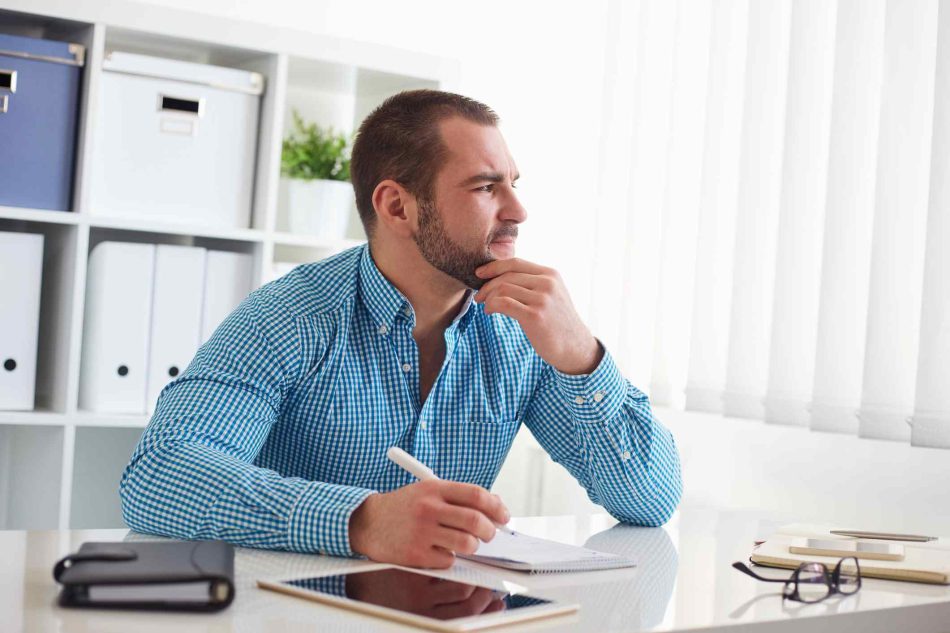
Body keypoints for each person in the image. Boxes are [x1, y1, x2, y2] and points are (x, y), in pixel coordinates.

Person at [119, 89, 682, 569]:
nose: (518, 210)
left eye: (513, 183)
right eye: (486, 187)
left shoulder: (522, 332)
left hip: (442, 611)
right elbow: (159, 476)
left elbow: (650, 501)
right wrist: (360, 521)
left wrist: (582, 356)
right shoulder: (290, 317)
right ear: (397, 207)